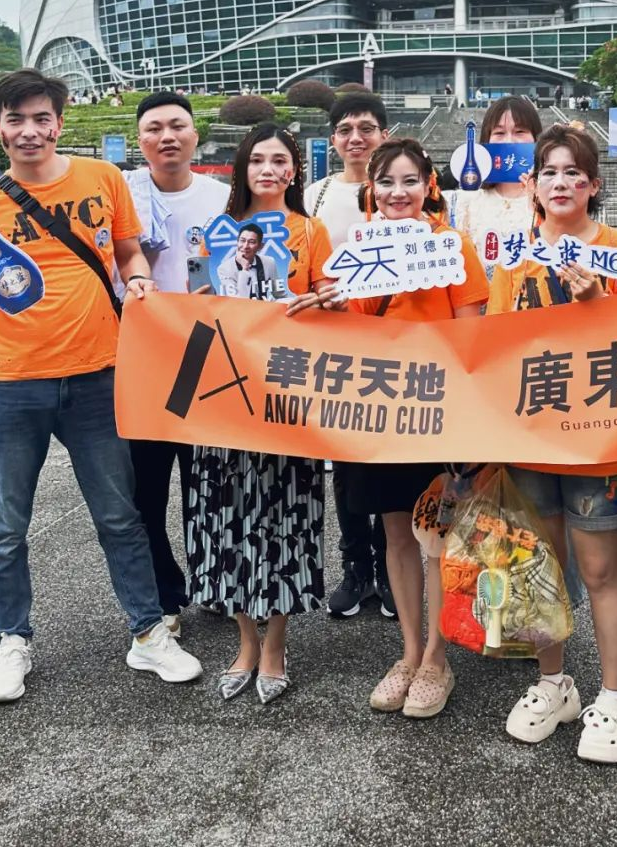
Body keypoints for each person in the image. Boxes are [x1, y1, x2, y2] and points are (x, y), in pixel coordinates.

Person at [0, 68, 202, 702]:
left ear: (59, 123)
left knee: (120, 515)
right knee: (6, 526)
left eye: (41, 118)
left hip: (96, 375)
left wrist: (137, 278)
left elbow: (128, 252)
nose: (30, 130)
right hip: (12, 382)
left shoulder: (102, 179)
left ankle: (148, 633)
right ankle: (11, 641)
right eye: (16, 119)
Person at [487, 124, 617, 763]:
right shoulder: (513, 259)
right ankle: (553, 683)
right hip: (528, 436)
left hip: (598, 439)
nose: (561, 182)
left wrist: (599, 302)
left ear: (594, 185)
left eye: (574, 172)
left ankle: (613, 695)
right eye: (549, 171)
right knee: (537, 566)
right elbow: (492, 345)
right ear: (532, 185)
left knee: (601, 571)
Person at [187, 123, 335, 704]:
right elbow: (197, 301)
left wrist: (322, 301)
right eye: (257, 160)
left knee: (284, 516)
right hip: (223, 393)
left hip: (286, 396)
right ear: (242, 168)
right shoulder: (217, 233)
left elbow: (330, 305)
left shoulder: (310, 231)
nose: (267, 170)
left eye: (279, 160)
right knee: (224, 515)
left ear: (294, 170)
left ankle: (276, 644)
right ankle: (245, 641)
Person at [343, 139, 489, 720]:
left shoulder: (452, 246)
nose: (396, 192)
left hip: (435, 410)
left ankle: (436, 657)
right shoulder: (357, 249)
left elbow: (471, 338)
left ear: (429, 184)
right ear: (370, 189)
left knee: (436, 539)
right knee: (395, 535)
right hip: (377, 411)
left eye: (409, 181)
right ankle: (407, 651)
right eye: (385, 182)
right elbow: (349, 332)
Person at [126, 91, 229, 636]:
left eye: (177, 126)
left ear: (195, 135)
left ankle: (213, 582)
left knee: (207, 485)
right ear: (139, 139)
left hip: (208, 359)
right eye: (154, 128)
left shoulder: (222, 198)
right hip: (142, 361)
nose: (167, 137)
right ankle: (165, 595)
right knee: (144, 489)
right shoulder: (123, 195)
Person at [303, 91, 393, 619]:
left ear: (384, 134)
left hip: (396, 346)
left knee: (395, 458)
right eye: (345, 130)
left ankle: (390, 567)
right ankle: (356, 564)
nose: (355, 138)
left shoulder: (401, 190)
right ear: (333, 139)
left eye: (366, 128)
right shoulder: (314, 196)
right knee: (346, 464)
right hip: (335, 348)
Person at [450, 95, 542, 278]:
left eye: (520, 131)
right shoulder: (465, 203)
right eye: (499, 133)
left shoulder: (550, 200)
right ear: (487, 139)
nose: (510, 140)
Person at [216, 222, 284, 299]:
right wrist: (245, 268)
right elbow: (238, 301)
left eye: (251, 242)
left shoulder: (269, 262)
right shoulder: (224, 269)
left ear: (260, 246)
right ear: (237, 242)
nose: (245, 246)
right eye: (242, 240)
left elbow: (280, 295)